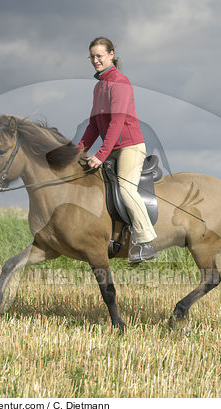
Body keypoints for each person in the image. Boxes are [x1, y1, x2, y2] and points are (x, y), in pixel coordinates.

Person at [78, 37, 158, 263]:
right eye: (92, 57)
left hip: (130, 147)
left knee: (125, 188)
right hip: (112, 147)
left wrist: (101, 154)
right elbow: (94, 124)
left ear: (111, 55)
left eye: (99, 56)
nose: (95, 60)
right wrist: (79, 151)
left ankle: (145, 241)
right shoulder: (98, 87)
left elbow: (116, 122)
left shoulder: (120, 82)